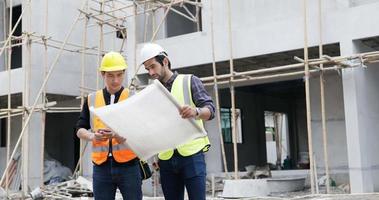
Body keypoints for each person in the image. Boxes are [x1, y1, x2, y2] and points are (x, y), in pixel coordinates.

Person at [140, 43, 215, 200]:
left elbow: (210, 110)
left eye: (153, 67)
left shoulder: (189, 81)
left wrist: (196, 112)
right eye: (148, 69)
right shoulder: (152, 92)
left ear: (165, 61)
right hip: (166, 159)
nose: (151, 72)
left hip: (192, 155)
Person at [76, 52, 142, 200]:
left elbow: (140, 131)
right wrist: (93, 136)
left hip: (129, 165)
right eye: (111, 76)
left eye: (119, 75)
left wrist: (118, 136)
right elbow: (79, 129)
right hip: (101, 167)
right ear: (102, 74)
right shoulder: (91, 99)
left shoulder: (133, 98)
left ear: (124, 74)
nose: (116, 80)